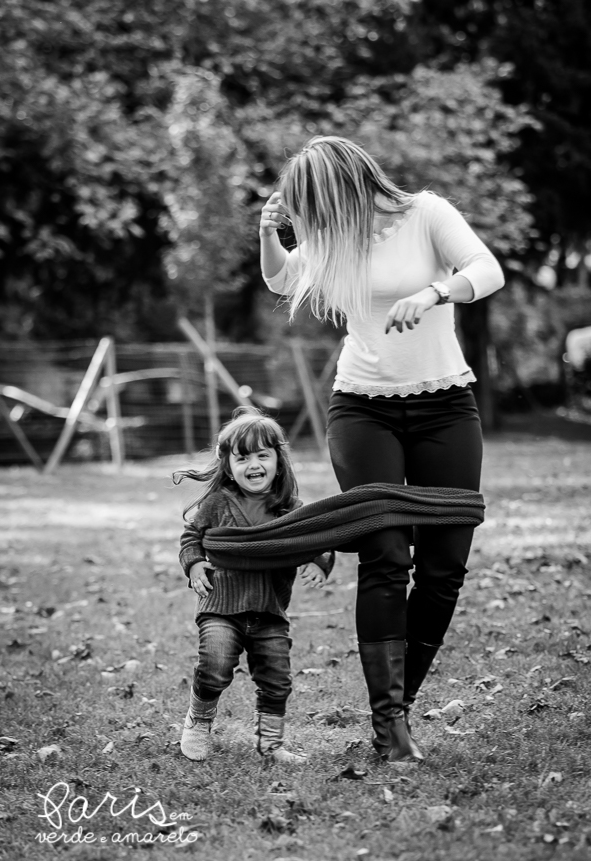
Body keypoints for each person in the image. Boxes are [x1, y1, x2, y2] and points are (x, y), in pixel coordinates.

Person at [259, 135, 505, 763]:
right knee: (387, 553)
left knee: (446, 565)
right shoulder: (330, 238)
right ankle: (389, 723)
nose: (310, 221)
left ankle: (400, 702)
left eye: (313, 205)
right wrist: (271, 234)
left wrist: (434, 293)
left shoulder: (426, 214)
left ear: (344, 186)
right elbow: (281, 278)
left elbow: (487, 269)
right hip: (362, 408)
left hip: (445, 405)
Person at [174, 408, 334, 763]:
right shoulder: (218, 503)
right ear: (228, 465)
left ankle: (271, 744)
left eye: (263, 455)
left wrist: (317, 562)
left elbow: (316, 539)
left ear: (278, 460)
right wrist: (196, 563)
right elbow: (192, 537)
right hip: (221, 606)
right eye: (242, 457)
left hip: (269, 611)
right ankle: (198, 722)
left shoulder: (289, 509)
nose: (253, 464)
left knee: (277, 678)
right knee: (215, 664)